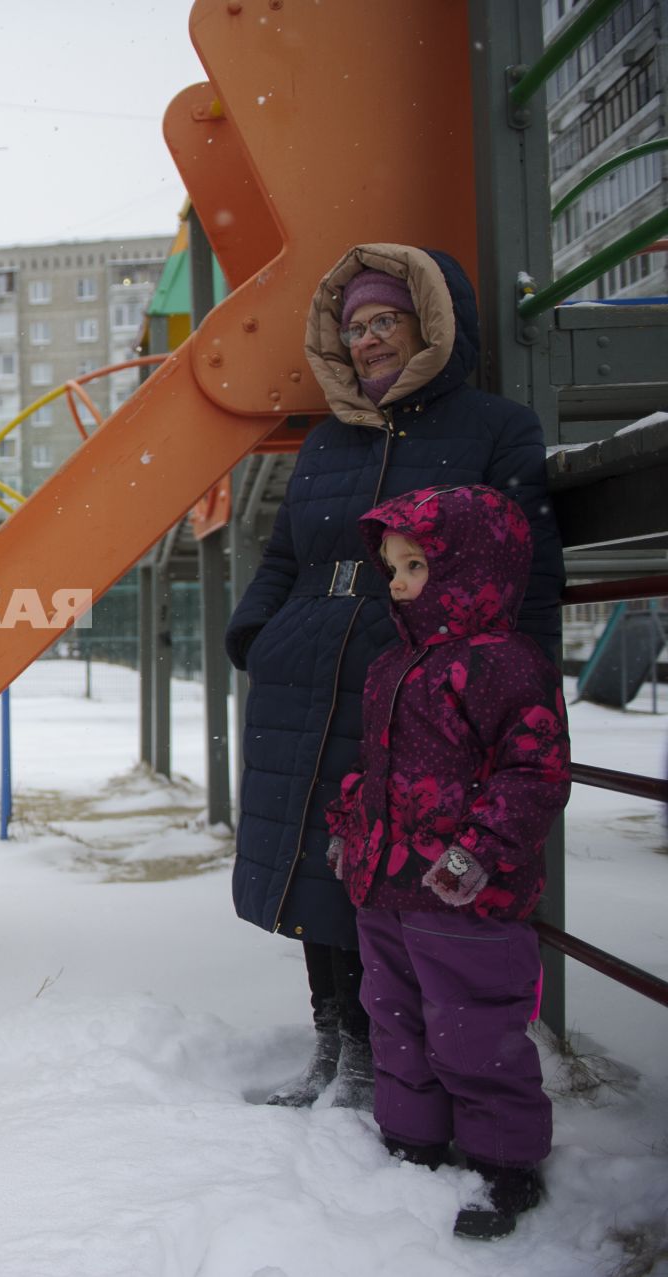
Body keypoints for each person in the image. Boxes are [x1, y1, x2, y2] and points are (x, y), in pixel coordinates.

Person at [225, 244, 563, 1111]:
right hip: (307, 669)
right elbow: (285, 553)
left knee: (382, 867)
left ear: (431, 325)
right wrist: (256, 634)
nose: (369, 340)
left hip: (418, 682)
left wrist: (518, 685)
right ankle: (333, 1041)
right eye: (355, 327)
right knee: (313, 857)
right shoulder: (328, 440)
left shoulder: (495, 427)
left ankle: (385, 1056)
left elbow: (531, 565)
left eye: (386, 321)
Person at [325, 484, 570, 1240]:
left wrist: (479, 853)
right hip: (386, 888)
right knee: (394, 1018)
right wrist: (349, 824)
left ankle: (505, 1162)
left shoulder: (504, 665)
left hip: (466, 897)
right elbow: (377, 764)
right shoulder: (392, 665)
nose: (396, 582)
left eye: (416, 565)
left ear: (470, 570)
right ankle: (414, 1140)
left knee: (473, 1031)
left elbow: (534, 774)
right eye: (392, 566)